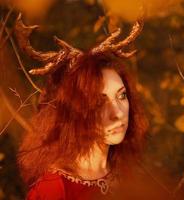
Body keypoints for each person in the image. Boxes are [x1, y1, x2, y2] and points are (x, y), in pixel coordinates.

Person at [14, 15, 163, 200]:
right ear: (74, 111)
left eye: (121, 95)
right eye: (100, 102)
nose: (118, 113)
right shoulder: (53, 190)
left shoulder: (124, 173)